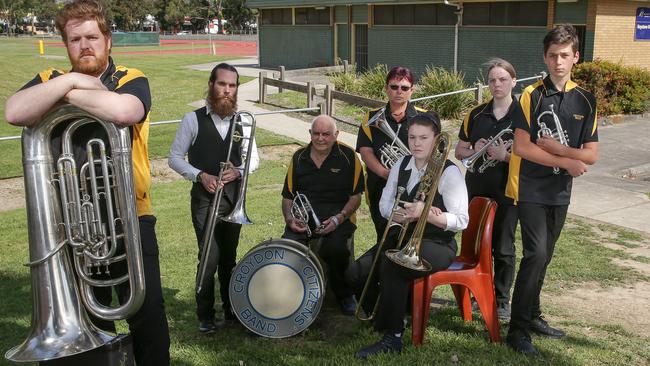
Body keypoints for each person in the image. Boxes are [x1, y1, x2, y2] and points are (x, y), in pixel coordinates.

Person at [4, 1, 170, 364]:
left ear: (108, 40)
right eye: (75, 39)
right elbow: (15, 111)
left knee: (147, 314)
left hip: (129, 217)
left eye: (92, 36)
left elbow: (126, 111)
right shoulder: (52, 78)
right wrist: (72, 80)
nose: (85, 45)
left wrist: (64, 95)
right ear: (66, 44)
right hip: (70, 226)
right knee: (87, 320)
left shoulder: (128, 77)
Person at [505, 24, 599, 355]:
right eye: (552, 56)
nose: (558, 62)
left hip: (561, 191)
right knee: (536, 255)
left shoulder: (586, 99)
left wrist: (563, 154)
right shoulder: (532, 95)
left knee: (545, 258)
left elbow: (590, 154)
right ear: (545, 58)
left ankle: (532, 315)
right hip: (531, 189)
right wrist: (565, 159)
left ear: (575, 57)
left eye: (564, 55)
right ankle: (517, 331)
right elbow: (521, 147)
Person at [355, 112, 469, 359]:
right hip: (403, 236)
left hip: (437, 243)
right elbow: (384, 206)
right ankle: (393, 312)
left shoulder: (449, 173)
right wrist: (402, 215)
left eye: (424, 138)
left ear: (436, 139)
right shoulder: (401, 164)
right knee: (356, 273)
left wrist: (425, 213)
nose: (416, 143)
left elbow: (461, 220)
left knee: (393, 267)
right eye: (412, 137)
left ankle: (392, 336)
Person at [168, 63, 259, 334]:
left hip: (233, 197)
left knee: (229, 257)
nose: (227, 91)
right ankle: (205, 314)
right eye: (222, 84)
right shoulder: (192, 119)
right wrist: (199, 175)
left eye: (232, 86)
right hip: (205, 198)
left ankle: (231, 309)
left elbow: (253, 158)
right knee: (209, 256)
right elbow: (174, 158)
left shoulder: (242, 120)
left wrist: (239, 170)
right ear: (211, 85)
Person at [455, 58, 524, 320]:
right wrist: (475, 149)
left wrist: (504, 156)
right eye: (493, 80)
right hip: (476, 190)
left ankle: (502, 301)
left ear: (513, 81)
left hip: (508, 191)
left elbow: (530, 155)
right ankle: (474, 294)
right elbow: (459, 150)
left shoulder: (523, 115)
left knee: (503, 248)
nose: (497, 84)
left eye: (503, 79)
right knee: (474, 246)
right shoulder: (476, 114)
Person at [281, 115, 364, 316]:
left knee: (336, 249)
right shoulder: (299, 157)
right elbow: (287, 197)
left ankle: (344, 294)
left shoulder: (349, 156)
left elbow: (356, 197)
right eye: (316, 133)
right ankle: (293, 297)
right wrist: (290, 220)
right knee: (288, 249)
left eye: (326, 134)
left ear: (336, 135)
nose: (320, 138)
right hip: (303, 221)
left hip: (338, 218)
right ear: (310, 134)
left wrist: (339, 218)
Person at [356, 66, 426, 242]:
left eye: (404, 88)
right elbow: (365, 151)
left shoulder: (424, 118)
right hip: (380, 187)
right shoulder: (371, 118)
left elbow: (433, 153)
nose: (398, 92)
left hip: (415, 189)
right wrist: (386, 173)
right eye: (394, 87)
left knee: (413, 236)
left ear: (412, 90)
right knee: (384, 237)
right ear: (386, 89)